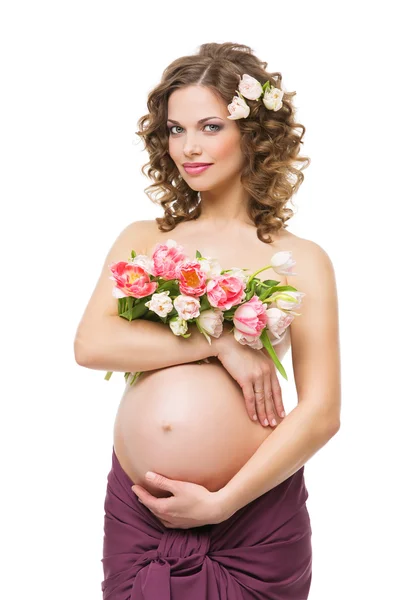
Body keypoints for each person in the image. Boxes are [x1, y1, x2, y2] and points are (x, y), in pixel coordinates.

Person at [74, 42, 341, 600]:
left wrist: (223, 502)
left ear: (254, 134)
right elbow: (92, 343)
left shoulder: (303, 259)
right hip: (139, 513)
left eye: (210, 126)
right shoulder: (145, 239)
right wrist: (216, 343)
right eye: (175, 130)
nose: (188, 148)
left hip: (252, 518)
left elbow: (320, 413)